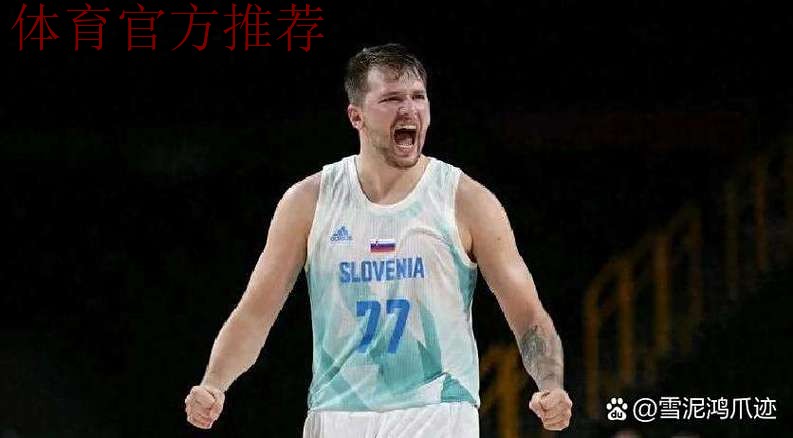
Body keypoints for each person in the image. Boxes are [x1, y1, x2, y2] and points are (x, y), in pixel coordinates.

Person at [184, 43, 572, 436]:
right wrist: (214, 383)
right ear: (356, 116)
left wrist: (550, 383)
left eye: (418, 97)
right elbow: (255, 312)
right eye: (391, 99)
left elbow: (528, 314)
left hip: (437, 411)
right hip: (337, 415)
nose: (409, 109)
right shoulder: (308, 202)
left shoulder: (466, 200)